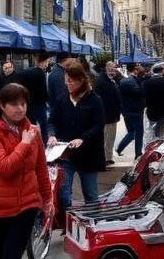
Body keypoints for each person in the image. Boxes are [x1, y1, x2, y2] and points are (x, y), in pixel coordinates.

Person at [0, 83, 50, 259]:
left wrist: (48, 199)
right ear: (2, 106)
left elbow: (41, 168)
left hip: (27, 204)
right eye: (14, 104)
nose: (20, 108)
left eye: (23, 103)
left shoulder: (32, 131)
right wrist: (24, 144)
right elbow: (5, 168)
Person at [47, 61, 106, 207]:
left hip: (88, 154)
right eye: (66, 81)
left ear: (81, 80)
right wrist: (52, 134)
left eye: (71, 81)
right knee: (63, 191)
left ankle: (92, 222)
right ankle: (67, 221)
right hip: (66, 153)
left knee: (90, 193)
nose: (68, 84)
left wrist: (82, 139)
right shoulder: (62, 99)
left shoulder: (94, 100)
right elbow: (51, 121)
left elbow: (98, 125)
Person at [16, 53, 51, 143]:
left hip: (28, 103)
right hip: (39, 103)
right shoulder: (40, 73)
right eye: (47, 62)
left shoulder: (26, 72)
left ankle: (33, 141)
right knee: (43, 124)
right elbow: (43, 90)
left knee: (31, 124)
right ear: (42, 62)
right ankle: (44, 141)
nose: (47, 64)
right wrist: (47, 100)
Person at [115, 63, 146, 159]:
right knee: (138, 133)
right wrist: (141, 82)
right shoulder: (131, 81)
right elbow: (138, 92)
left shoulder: (125, 81)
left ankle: (119, 148)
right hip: (135, 111)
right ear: (135, 70)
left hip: (127, 111)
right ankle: (138, 153)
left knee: (131, 132)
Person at [93, 61, 122, 165]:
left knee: (110, 137)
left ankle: (108, 157)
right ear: (106, 68)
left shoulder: (111, 79)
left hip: (112, 114)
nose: (113, 69)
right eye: (112, 67)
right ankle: (104, 158)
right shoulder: (101, 80)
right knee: (106, 137)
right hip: (107, 115)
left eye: (114, 68)